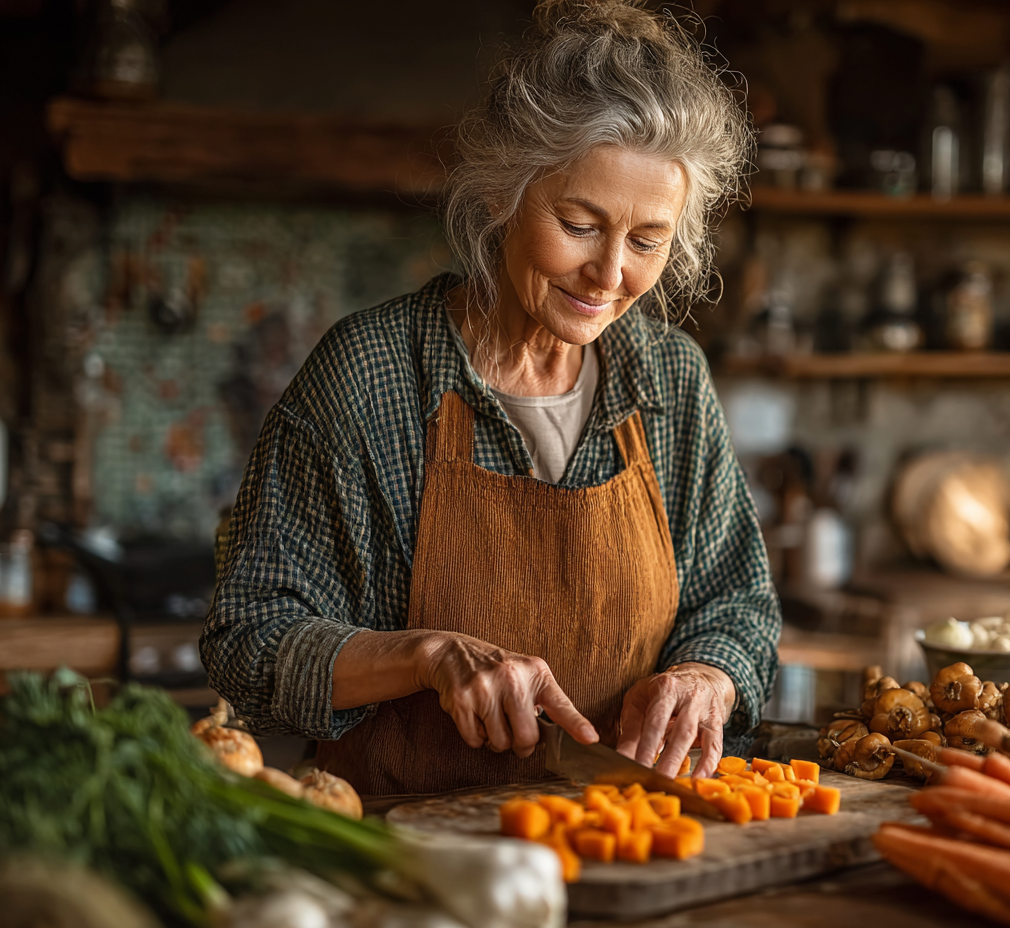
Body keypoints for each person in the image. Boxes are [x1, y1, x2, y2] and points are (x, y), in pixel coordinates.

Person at [201, 0, 781, 796]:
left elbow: (739, 603)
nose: (610, 274)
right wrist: (425, 656)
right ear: (504, 193)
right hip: (411, 863)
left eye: (648, 241)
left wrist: (707, 676)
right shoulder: (371, 377)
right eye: (579, 224)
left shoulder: (670, 381)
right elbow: (248, 638)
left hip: (626, 837)